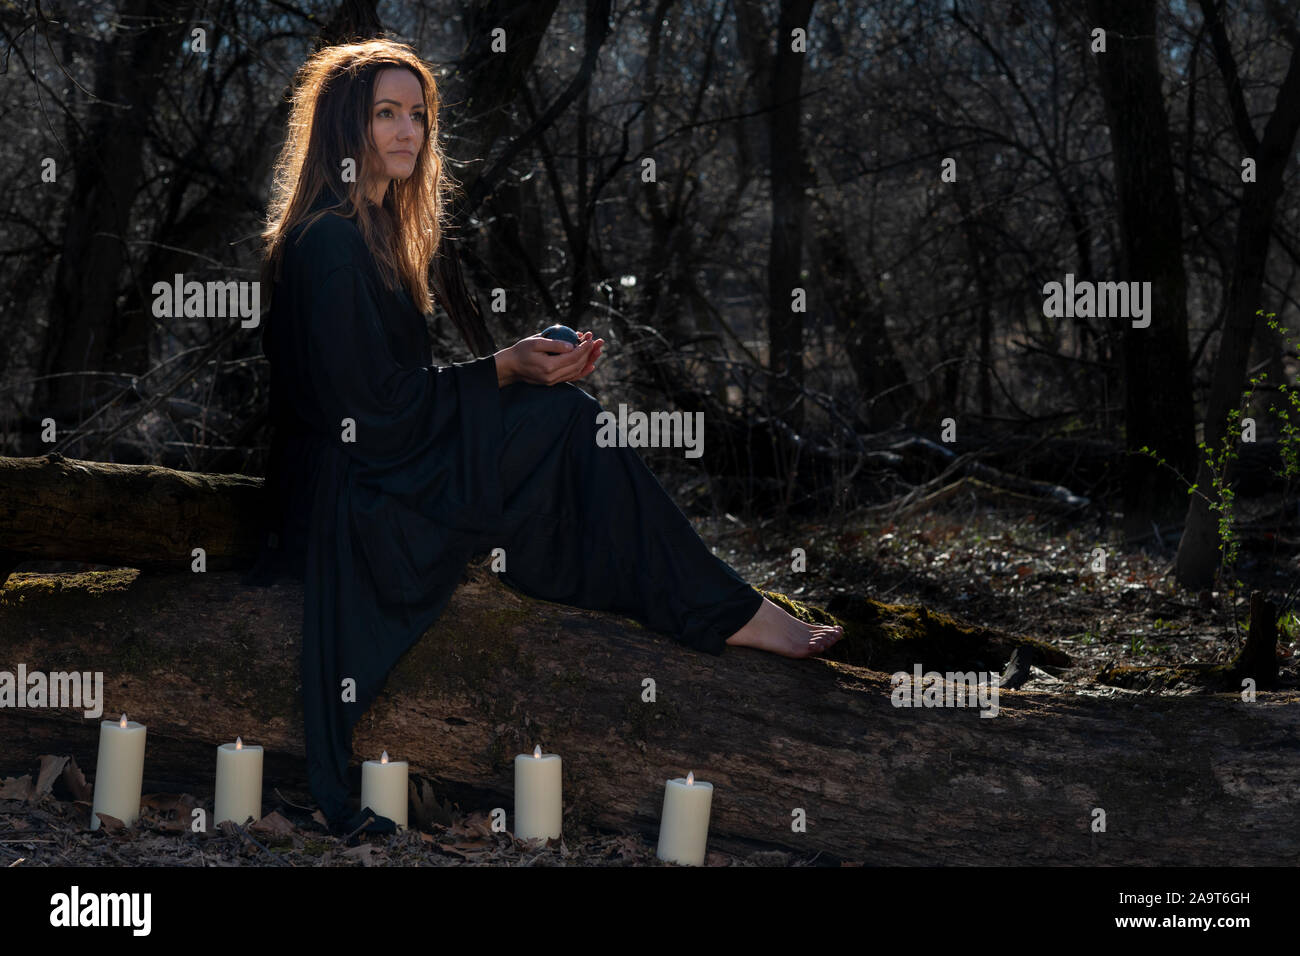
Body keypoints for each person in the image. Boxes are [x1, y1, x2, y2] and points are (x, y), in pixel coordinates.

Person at [242, 39, 843, 835]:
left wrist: (525, 362)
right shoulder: (328, 242)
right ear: (343, 125)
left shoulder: (377, 231)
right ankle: (722, 608)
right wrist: (504, 370)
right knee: (563, 422)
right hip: (353, 495)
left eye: (417, 114)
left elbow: (395, 400)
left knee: (556, 399)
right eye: (385, 113)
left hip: (378, 465)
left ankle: (701, 596)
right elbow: (370, 413)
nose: (406, 131)